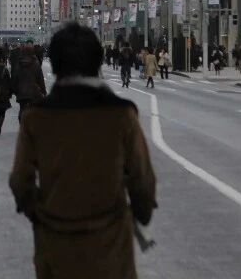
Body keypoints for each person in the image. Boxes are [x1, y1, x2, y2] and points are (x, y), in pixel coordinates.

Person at [9, 23, 157, 279]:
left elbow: (20, 181)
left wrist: (41, 215)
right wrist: (140, 215)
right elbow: (142, 179)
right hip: (110, 244)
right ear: (97, 62)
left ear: (55, 64)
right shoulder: (121, 114)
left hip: (55, 242)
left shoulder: (37, 117)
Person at [12, 43, 47, 121]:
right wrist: (44, 91)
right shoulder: (36, 63)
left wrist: (14, 89)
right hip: (33, 91)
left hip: (21, 91)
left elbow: (15, 77)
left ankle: (22, 122)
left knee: (22, 108)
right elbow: (40, 79)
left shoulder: (19, 63)